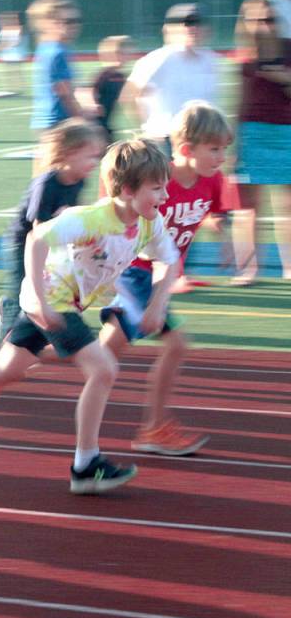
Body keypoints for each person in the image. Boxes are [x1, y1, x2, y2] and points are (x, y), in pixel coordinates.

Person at [0, 139, 180, 495]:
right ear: (127, 189)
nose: (164, 196)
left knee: (8, 367)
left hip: (63, 303)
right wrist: (38, 298)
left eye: (165, 187)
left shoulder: (149, 223)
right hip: (53, 298)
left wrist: (158, 304)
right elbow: (36, 239)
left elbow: (170, 261)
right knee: (103, 369)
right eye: (156, 188)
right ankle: (86, 465)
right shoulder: (90, 219)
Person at [99, 102, 230, 456]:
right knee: (177, 343)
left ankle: (21, 352)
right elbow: (116, 202)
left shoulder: (213, 181)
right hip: (136, 271)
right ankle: (154, 429)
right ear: (186, 150)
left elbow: (214, 211)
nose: (221, 156)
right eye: (214, 149)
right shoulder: (159, 180)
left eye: (224, 149)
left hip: (161, 274)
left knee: (101, 354)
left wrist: (222, 228)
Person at [0, 118, 105, 358]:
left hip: (49, 245)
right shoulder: (47, 183)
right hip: (22, 245)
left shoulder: (79, 179)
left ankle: (24, 341)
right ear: (69, 154)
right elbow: (37, 230)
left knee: (48, 292)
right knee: (24, 293)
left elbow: (74, 214)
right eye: (89, 156)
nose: (95, 163)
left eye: (97, 156)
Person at [228, 0, 291, 285]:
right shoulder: (244, 59)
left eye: (268, 19)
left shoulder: (289, 50)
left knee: (287, 206)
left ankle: (289, 267)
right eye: (254, 20)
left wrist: (283, 78)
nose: (262, 25)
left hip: (285, 132)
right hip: (252, 133)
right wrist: (234, 146)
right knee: (248, 209)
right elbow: (239, 103)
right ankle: (249, 269)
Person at [125, 3, 220, 155]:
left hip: (202, 137)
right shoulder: (160, 58)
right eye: (186, 24)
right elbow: (131, 94)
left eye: (197, 23)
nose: (192, 28)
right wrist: (148, 129)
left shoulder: (210, 59)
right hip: (168, 138)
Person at [27, 0, 86, 134]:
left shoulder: (47, 47)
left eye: (77, 21)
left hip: (49, 121)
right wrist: (83, 119)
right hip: (59, 122)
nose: (74, 26)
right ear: (49, 23)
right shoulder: (57, 52)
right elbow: (65, 93)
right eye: (68, 22)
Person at [87, 35, 134, 143]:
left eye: (128, 54)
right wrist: (94, 103)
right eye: (124, 54)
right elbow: (88, 90)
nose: (127, 58)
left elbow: (127, 94)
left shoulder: (120, 76)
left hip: (107, 123)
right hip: (96, 124)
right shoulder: (104, 74)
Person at [0, 11, 28, 93]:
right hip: (7, 54)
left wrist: (4, 46)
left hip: (15, 53)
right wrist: (0, 46)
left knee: (16, 71)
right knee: (8, 71)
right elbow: (3, 42)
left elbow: (17, 42)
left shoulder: (18, 29)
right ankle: (11, 88)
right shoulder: (3, 30)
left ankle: (20, 87)